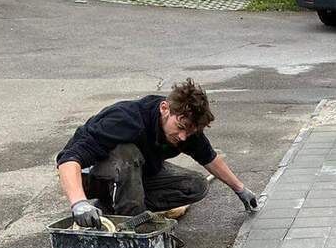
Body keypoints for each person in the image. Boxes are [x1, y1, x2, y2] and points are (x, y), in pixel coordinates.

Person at [55, 79, 258, 229]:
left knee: (195, 186)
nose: (183, 136)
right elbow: (68, 160)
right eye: (180, 127)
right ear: (164, 108)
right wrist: (79, 203)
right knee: (129, 154)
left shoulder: (187, 130)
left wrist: (240, 189)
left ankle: (110, 208)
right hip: (89, 177)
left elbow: (209, 157)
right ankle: (131, 226)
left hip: (134, 172)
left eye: (190, 132)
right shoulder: (126, 120)